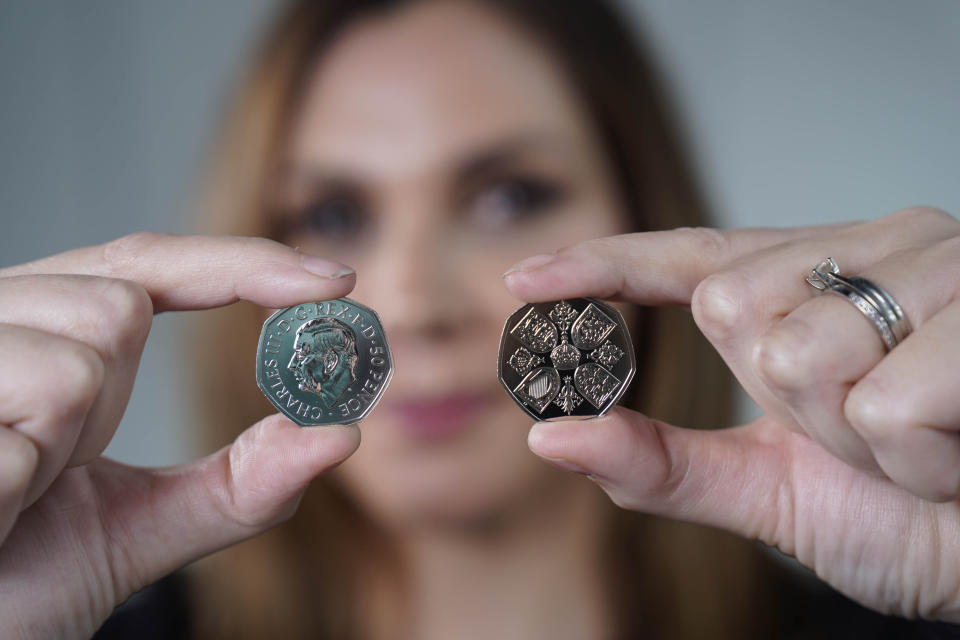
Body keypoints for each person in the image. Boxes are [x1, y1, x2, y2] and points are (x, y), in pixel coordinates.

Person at [1, 0, 959, 638]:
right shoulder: (68, 617)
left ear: (640, 213)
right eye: (334, 215)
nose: (413, 304)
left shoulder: (905, 594)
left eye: (509, 198)